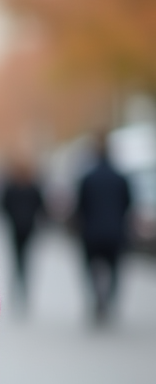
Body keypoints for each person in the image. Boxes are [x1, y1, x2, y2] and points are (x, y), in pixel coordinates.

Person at [76, 132, 132, 324]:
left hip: (91, 232)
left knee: (91, 268)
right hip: (115, 232)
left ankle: (98, 299)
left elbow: (80, 206)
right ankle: (109, 300)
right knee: (115, 268)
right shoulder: (120, 178)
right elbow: (128, 204)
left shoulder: (87, 178)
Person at [0, 157, 46, 306]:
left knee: (17, 259)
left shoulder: (12, 187)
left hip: (17, 227)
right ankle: (23, 289)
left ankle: (18, 289)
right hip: (28, 227)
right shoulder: (32, 187)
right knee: (24, 259)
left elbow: (3, 205)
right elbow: (41, 206)